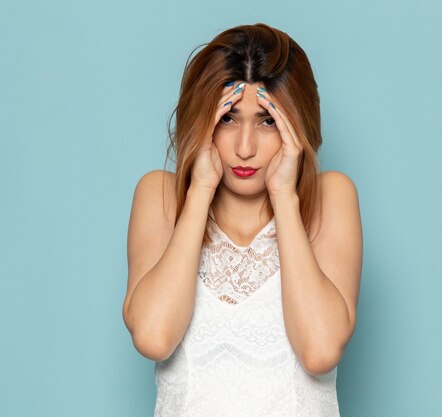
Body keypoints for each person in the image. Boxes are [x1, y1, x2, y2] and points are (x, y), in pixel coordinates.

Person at [122, 23, 362, 417]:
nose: (245, 148)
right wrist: (200, 187)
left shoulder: (329, 197)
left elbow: (319, 350)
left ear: (296, 124)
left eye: (268, 121)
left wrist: (285, 196)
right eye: (228, 119)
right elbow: (153, 336)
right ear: (202, 121)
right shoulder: (161, 196)